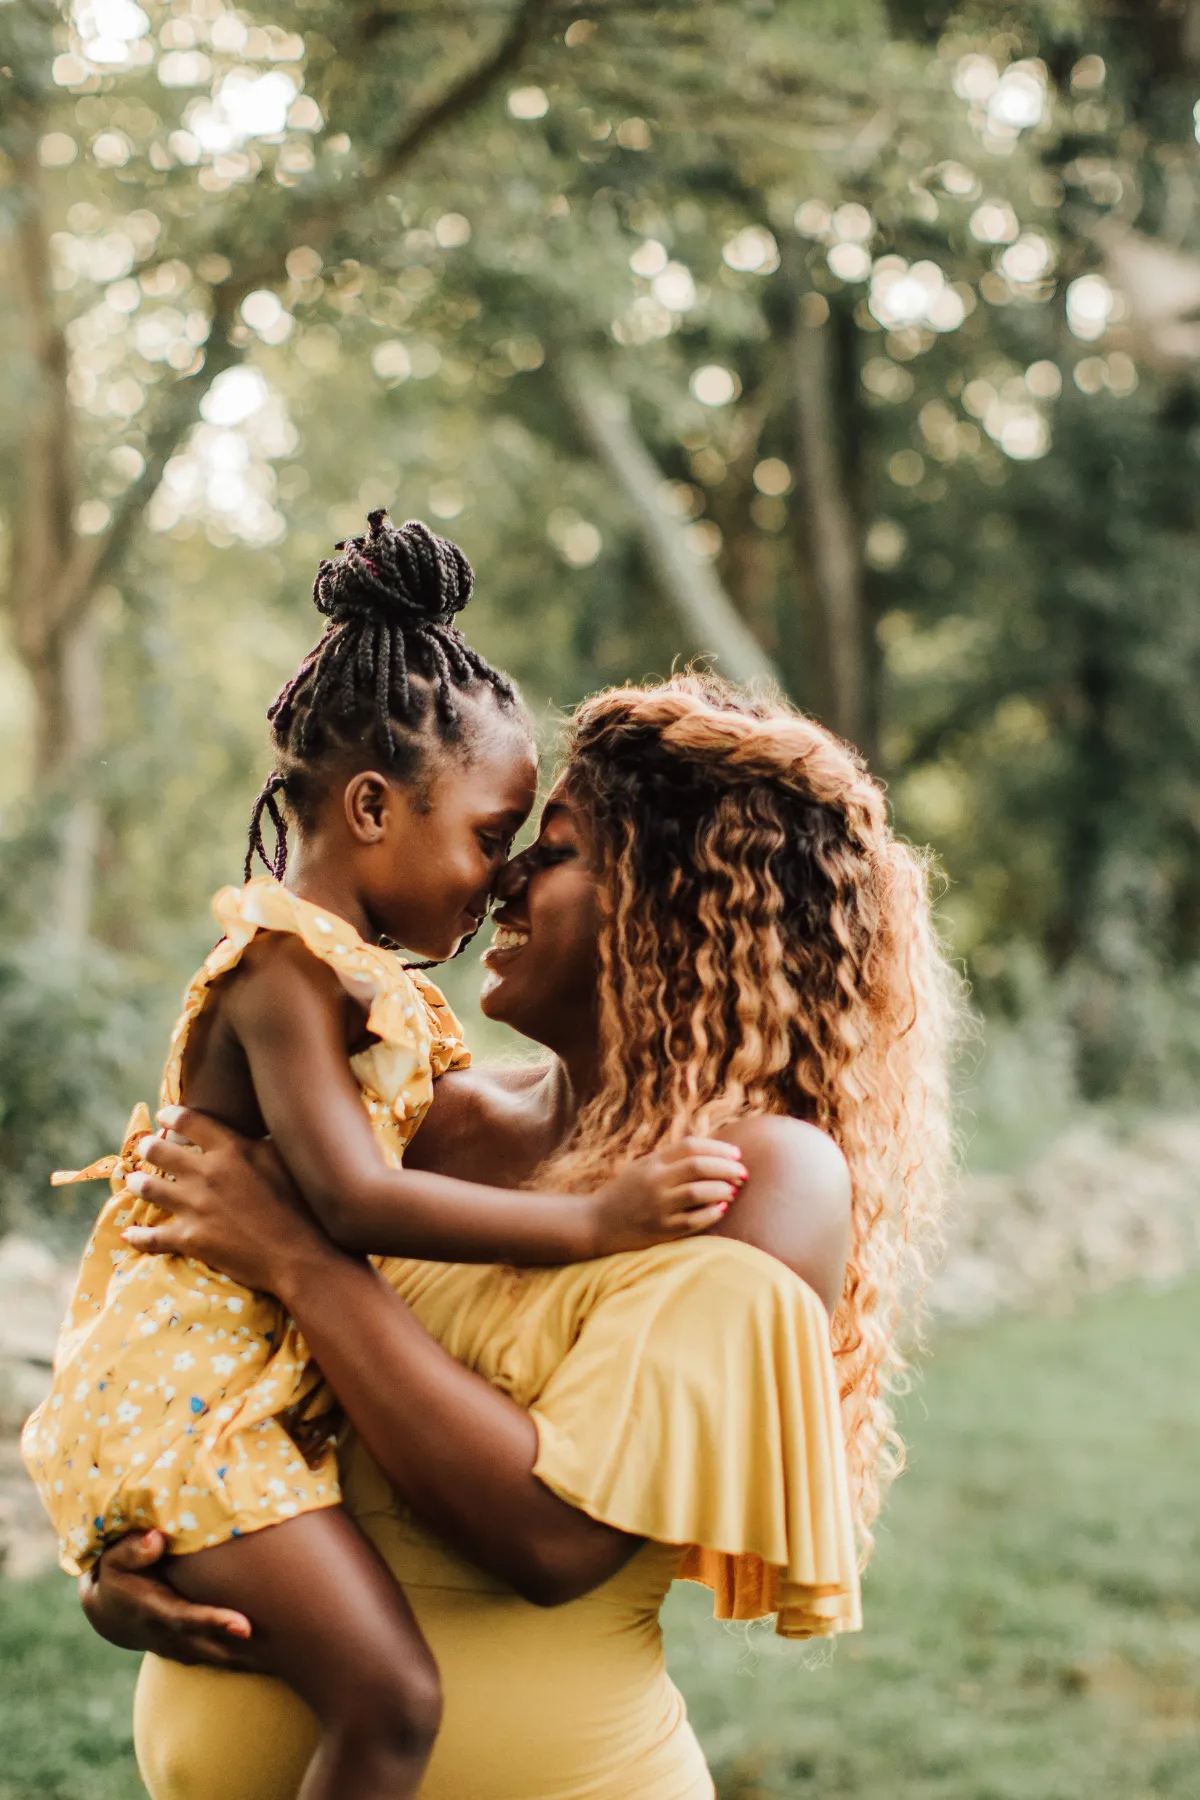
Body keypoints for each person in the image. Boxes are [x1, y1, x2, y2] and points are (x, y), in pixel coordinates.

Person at [82, 674, 960, 1800]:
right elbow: (225, 1370)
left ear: (676, 904)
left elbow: (550, 1542)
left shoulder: (761, 1175)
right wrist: (136, 1554)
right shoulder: (418, 1119)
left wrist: (299, 1260)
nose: (504, 878)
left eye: (553, 850)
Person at [23, 527, 743, 1800]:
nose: (498, 878)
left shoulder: (371, 994)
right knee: (396, 1699)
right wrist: (602, 1221)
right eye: (487, 835)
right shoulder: (284, 969)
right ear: (370, 808)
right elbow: (356, 1203)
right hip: (185, 1396)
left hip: (230, 1399)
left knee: (393, 1692)